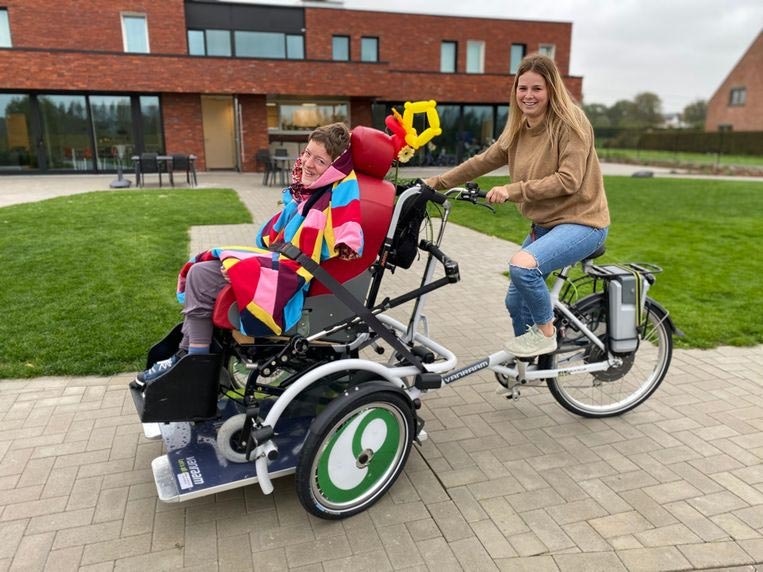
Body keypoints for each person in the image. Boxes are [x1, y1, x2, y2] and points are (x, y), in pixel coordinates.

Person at [133, 122, 363, 387]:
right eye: (308, 153)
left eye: (320, 160)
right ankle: (189, 353)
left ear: (334, 169)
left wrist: (244, 270)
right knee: (201, 270)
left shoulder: (331, 200)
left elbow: (314, 253)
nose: (308, 163)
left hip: (294, 282)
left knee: (201, 276)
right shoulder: (310, 196)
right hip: (282, 266)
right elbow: (270, 242)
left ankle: (192, 361)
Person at [424, 53, 609, 358]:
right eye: (522, 88)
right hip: (545, 225)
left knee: (523, 269)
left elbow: (569, 180)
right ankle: (531, 363)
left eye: (537, 88)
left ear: (552, 89)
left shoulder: (572, 123)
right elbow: (483, 161)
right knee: (514, 302)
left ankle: (546, 335)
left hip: (583, 222)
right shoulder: (519, 129)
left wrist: (514, 190)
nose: (528, 95)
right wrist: (437, 182)